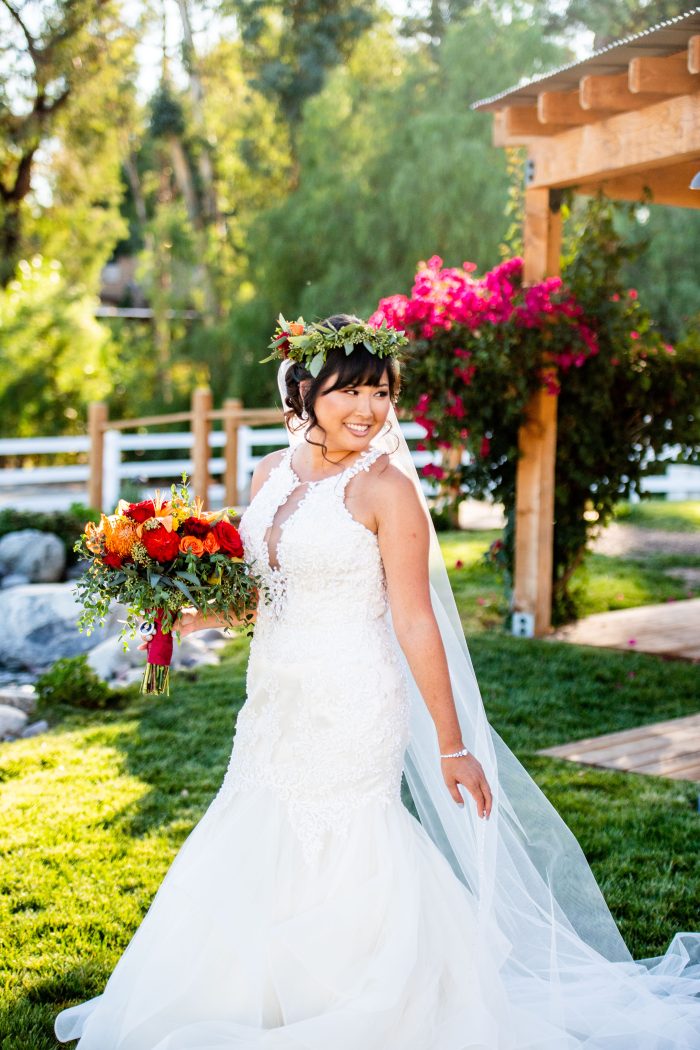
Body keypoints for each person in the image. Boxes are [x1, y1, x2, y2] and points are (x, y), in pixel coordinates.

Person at [55, 314, 700, 1048]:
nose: (369, 409)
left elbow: (416, 620)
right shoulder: (268, 474)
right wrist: (184, 613)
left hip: (353, 697)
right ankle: (261, 993)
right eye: (351, 391)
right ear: (305, 390)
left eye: (382, 393)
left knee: (353, 839)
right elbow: (262, 592)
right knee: (260, 821)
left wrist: (454, 746)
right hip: (273, 697)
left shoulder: (387, 489)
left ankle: (367, 1003)